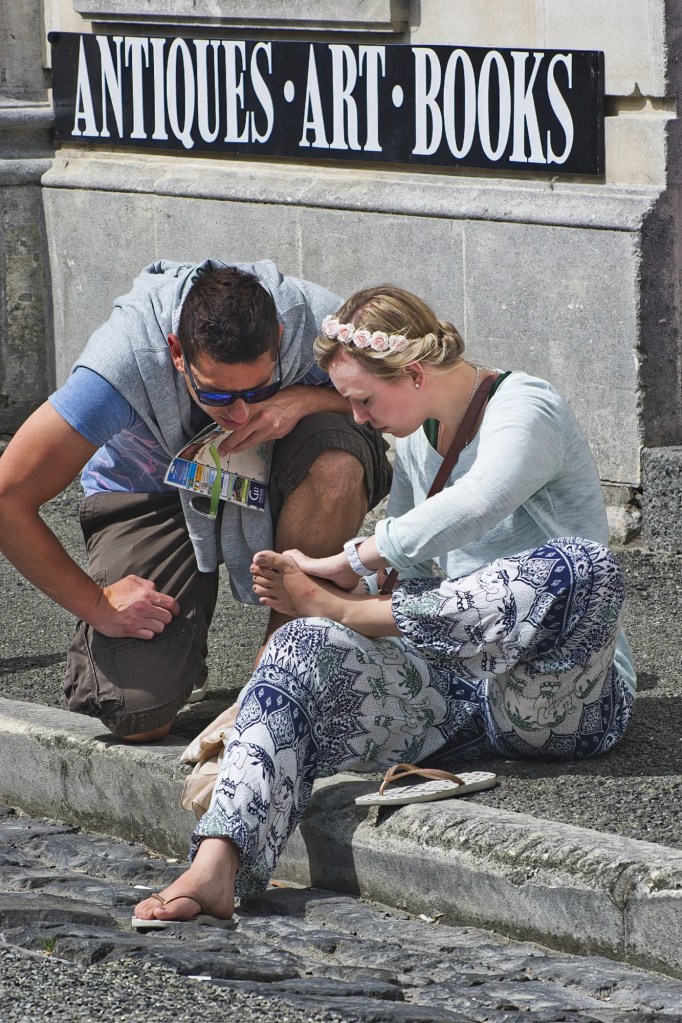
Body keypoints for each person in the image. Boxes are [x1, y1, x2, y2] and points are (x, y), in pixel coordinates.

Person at [132, 283, 635, 926]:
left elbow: (476, 502)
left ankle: (343, 619)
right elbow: (412, 569)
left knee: (583, 567)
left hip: (557, 702)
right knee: (299, 642)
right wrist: (346, 593)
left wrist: (348, 571)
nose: (359, 419)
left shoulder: (528, 406)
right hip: (458, 695)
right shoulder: (419, 439)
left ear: (416, 372)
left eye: (362, 400)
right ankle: (216, 866)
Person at [0, 261, 391, 741]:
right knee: (139, 716)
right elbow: (7, 497)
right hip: (153, 492)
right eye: (218, 395)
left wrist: (306, 399)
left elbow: (427, 387)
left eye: (260, 388)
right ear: (177, 353)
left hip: (283, 471)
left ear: (282, 337)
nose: (241, 412)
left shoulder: (319, 322)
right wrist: (97, 605)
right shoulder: (123, 360)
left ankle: (286, 652)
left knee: (335, 464)